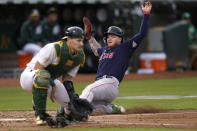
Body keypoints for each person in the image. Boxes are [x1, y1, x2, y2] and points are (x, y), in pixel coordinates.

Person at [80, 1, 152, 114]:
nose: (109, 38)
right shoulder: (104, 50)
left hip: (110, 83)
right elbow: (95, 49)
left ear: (120, 39)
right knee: (94, 108)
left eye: (113, 36)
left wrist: (146, 14)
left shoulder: (125, 48)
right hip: (102, 86)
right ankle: (113, 109)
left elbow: (142, 34)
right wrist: (89, 36)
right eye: (108, 36)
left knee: (89, 90)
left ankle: (78, 112)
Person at [20, 26, 92, 127]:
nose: (81, 44)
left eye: (82, 41)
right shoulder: (54, 48)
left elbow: (67, 79)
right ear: (69, 40)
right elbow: (38, 68)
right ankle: (40, 115)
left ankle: (62, 113)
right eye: (78, 40)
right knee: (43, 78)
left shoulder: (79, 57)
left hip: (49, 81)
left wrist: (72, 99)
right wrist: (53, 84)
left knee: (71, 107)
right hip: (29, 76)